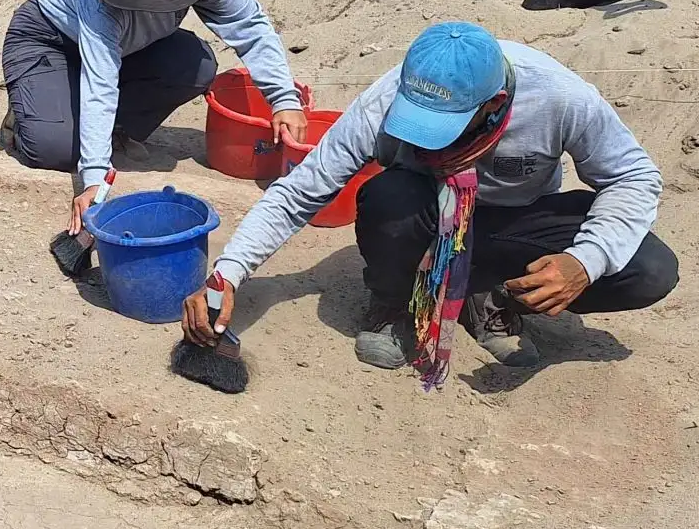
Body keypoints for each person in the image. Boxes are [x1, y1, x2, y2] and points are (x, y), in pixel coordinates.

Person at [183, 22, 678, 387]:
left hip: (513, 219)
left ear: (493, 104)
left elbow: (634, 178)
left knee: (648, 268)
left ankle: (493, 297)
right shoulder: (384, 97)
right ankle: (398, 303)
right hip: (424, 213)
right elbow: (297, 192)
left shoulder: (560, 98)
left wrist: (583, 261)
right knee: (387, 196)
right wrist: (229, 272)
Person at [0, 0, 308, 237]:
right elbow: (100, 83)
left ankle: (87, 119)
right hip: (50, 41)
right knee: (55, 148)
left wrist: (284, 100)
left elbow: (250, 26)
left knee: (194, 64)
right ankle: (33, 110)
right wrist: (95, 181)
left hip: (125, 49)